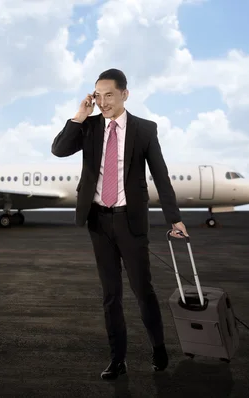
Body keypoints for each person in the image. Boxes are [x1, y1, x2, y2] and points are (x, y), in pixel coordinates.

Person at [51, 68, 188, 380]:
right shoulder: (88, 127)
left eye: (109, 95)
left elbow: (161, 176)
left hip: (131, 220)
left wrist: (175, 219)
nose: (103, 102)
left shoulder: (144, 129)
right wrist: (79, 115)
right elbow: (58, 150)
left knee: (143, 291)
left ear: (125, 94)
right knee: (110, 295)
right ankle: (118, 359)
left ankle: (158, 346)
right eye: (98, 96)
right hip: (98, 220)